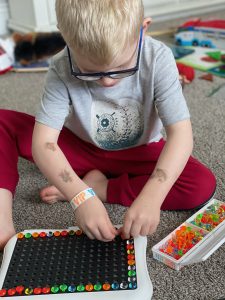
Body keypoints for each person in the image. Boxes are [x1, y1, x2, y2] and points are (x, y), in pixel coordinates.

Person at [0, 0, 216, 250]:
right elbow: (44, 143)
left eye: (122, 69)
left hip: (139, 151)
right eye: (89, 72)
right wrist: (79, 197)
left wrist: (152, 195)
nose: (107, 82)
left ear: (142, 30)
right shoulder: (61, 65)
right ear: (65, 37)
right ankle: (3, 225)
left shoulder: (158, 57)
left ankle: (101, 186)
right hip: (80, 148)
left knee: (200, 184)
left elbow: (180, 134)